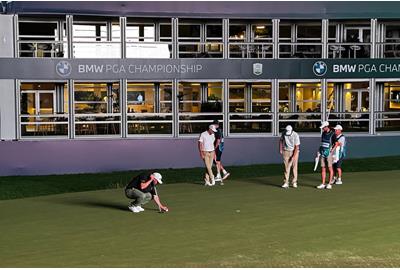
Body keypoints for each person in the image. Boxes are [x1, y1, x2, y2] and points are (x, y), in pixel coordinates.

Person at [316, 121, 335, 189]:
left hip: (329, 153)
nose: (322, 129)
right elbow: (322, 143)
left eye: (323, 127)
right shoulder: (323, 133)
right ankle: (323, 184)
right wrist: (319, 151)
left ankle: (329, 184)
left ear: (326, 127)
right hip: (322, 152)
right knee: (323, 168)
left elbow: (336, 143)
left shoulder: (333, 134)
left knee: (330, 168)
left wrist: (332, 151)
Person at [212, 119, 230, 185]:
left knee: (216, 160)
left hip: (218, 147)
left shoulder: (218, 131)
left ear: (217, 125)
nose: (213, 125)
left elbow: (218, 141)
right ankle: (223, 172)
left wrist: (214, 148)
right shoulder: (218, 130)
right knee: (216, 161)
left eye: (214, 124)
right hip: (220, 147)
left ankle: (219, 175)